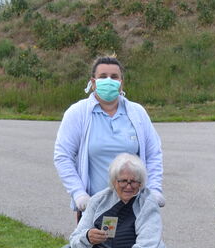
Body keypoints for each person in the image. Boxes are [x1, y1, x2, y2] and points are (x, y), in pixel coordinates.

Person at [54, 56, 164, 220]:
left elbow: (153, 153)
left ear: (121, 82)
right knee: (98, 245)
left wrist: (155, 190)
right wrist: (78, 193)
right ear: (93, 82)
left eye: (114, 77)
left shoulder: (137, 113)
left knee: (138, 246)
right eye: (103, 76)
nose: (109, 81)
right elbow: (63, 156)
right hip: (95, 208)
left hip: (135, 208)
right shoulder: (77, 113)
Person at [69, 153, 168, 248]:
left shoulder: (147, 203)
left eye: (134, 181)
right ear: (114, 181)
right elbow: (74, 240)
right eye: (123, 181)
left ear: (141, 183)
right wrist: (87, 237)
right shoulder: (98, 200)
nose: (128, 186)